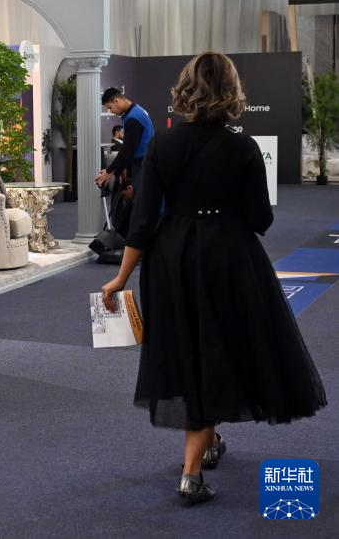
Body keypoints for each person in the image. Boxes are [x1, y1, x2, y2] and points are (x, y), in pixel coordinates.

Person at [101, 52, 326, 504]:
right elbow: (260, 219)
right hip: (228, 257)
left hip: (171, 259)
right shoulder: (243, 148)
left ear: (185, 90)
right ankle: (191, 473)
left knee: (189, 347)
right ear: (231, 92)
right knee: (222, 346)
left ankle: (210, 440)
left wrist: (119, 278)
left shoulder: (163, 144)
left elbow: (142, 221)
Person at [95, 89, 153, 193]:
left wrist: (109, 171)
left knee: (143, 198)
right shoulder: (137, 110)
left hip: (142, 164)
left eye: (110, 108)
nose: (111, 112)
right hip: (144, 162)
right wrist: (118, 170)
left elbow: (127, 150)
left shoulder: (133, 118)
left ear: (116, 101)